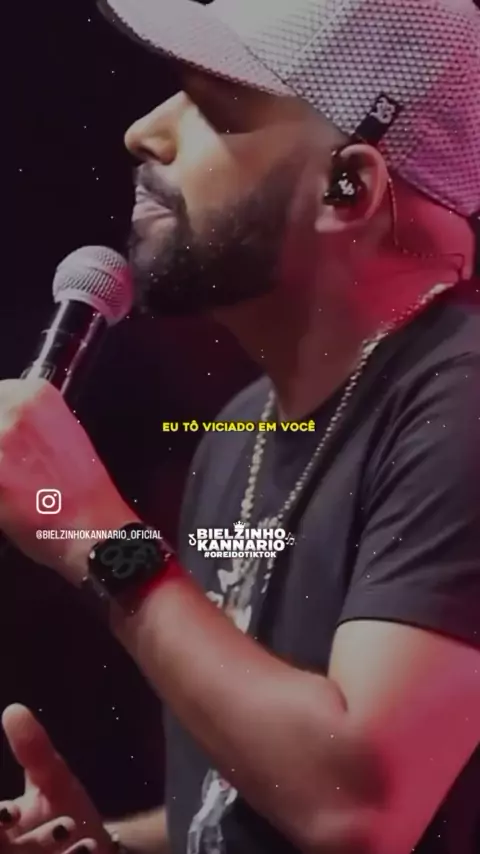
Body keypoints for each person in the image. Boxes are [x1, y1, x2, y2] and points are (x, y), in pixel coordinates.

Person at [0, 0, 479, 852]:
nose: (145, 132)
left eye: (212, 108)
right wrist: (108, 843)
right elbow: (243, 806)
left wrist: (92, 531)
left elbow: (357, 807)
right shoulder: (238, 434)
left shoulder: (462, 407)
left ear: (347, 187)